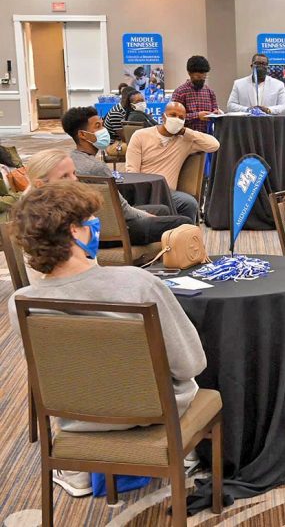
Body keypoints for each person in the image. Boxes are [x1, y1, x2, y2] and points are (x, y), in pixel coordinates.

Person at [8, 181, 206, 497]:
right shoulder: (137, 283)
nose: (97, 225)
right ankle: (183, 453)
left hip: (77, 418)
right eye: (91, 219)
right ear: (75, 231)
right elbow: (190, 363)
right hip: (153, 413)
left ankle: (77, 469)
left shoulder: (21, 302)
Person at [51, 111, 193, 244]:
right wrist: (149, 217)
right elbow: (124, 211)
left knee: (162, 210)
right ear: (83, 134)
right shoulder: (97, 168)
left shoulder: (71, 159)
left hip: (90, 225)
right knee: (182, 222)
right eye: (98, 126)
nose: (104, 130)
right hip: (114, 230)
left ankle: (160, 255)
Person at [125, 102, 220, 222]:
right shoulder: (141, 135)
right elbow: (132, 171)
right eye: (173, 115)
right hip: (143, 191)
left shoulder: (185, 141)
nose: (177, 119)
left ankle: (185, 232)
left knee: (189, 203)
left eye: (181, 118)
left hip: (167, 192)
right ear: (163, 117)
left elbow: (214, 145)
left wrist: (185, 132)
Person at [171, 55, 221, 134]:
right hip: (186, 136)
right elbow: (174, 118)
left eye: (204, 76)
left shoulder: (210, 92)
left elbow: (215, 110)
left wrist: (216, 113)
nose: (202, 79)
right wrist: (197, 116)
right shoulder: (180, 92)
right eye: (198, 77)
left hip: (206, 135)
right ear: (189, 73)